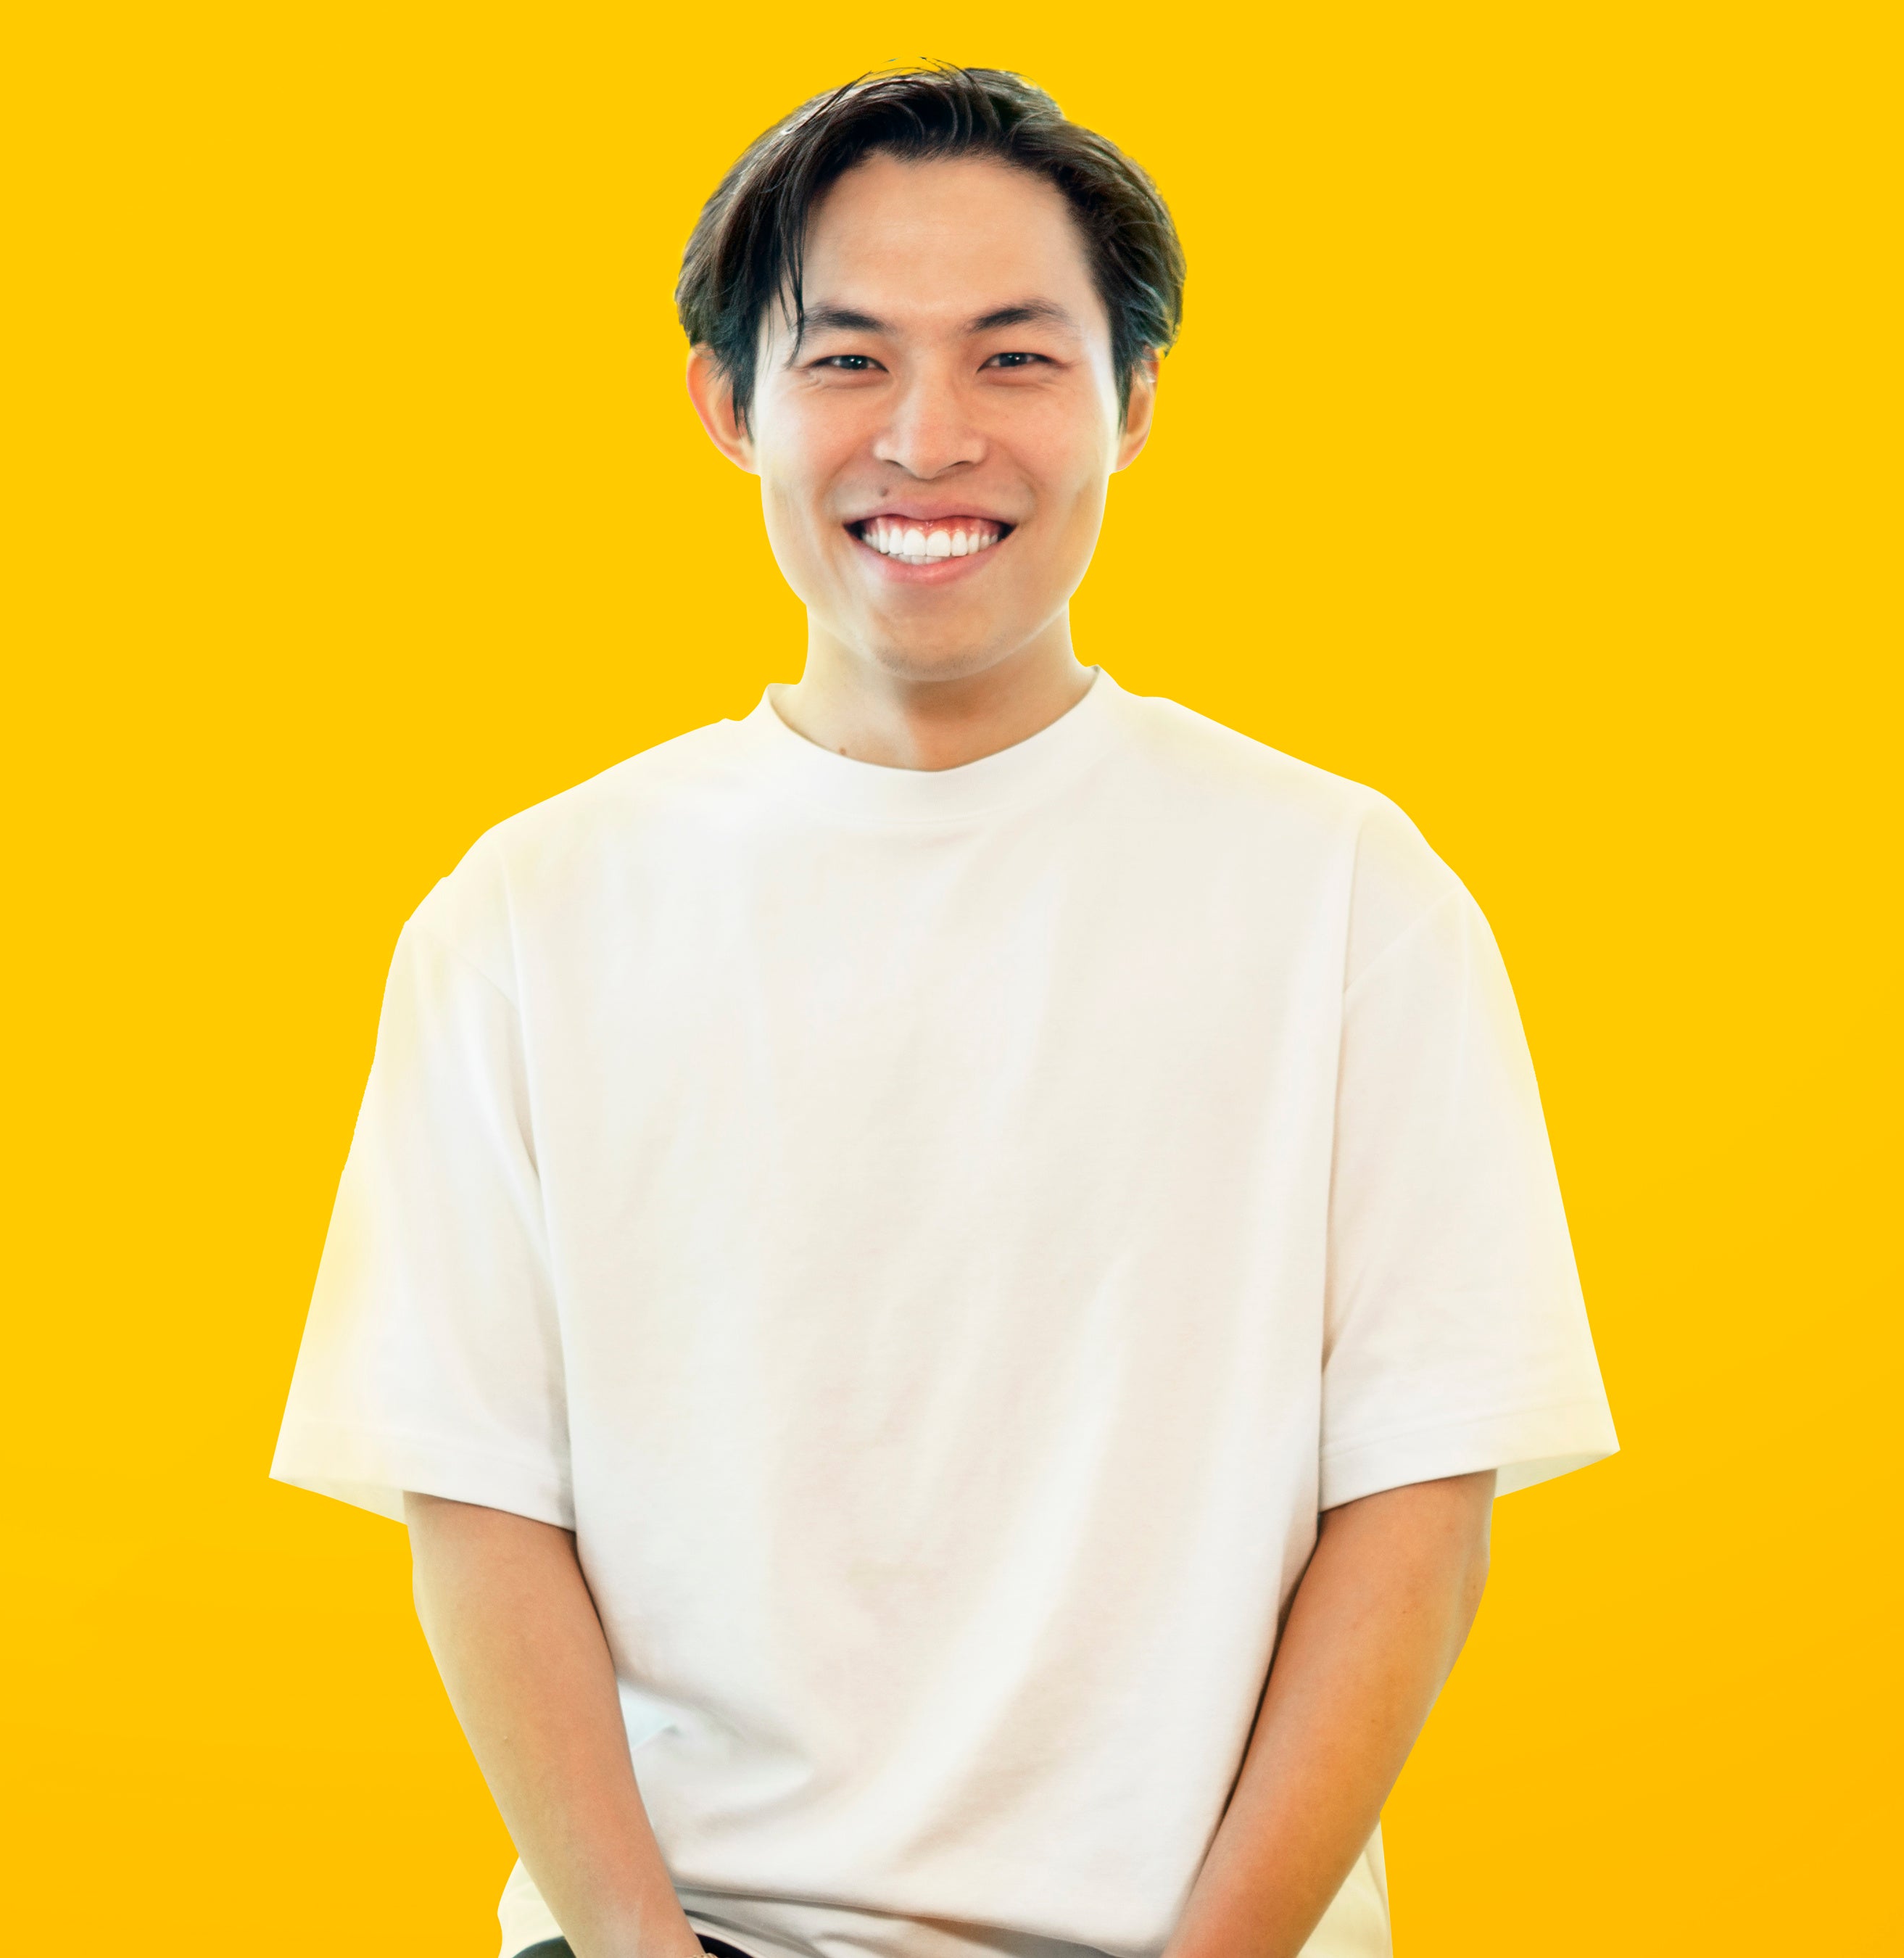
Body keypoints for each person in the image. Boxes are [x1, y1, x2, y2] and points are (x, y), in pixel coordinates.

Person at [270, 65, 1618, 1958]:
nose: (928, 438)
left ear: (1131, 402)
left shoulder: (1342, 895)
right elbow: (479, 1502)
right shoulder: (530, 914)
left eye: (1013, 358)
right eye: (847, 360)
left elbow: (1419, 1503)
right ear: (727, 403)